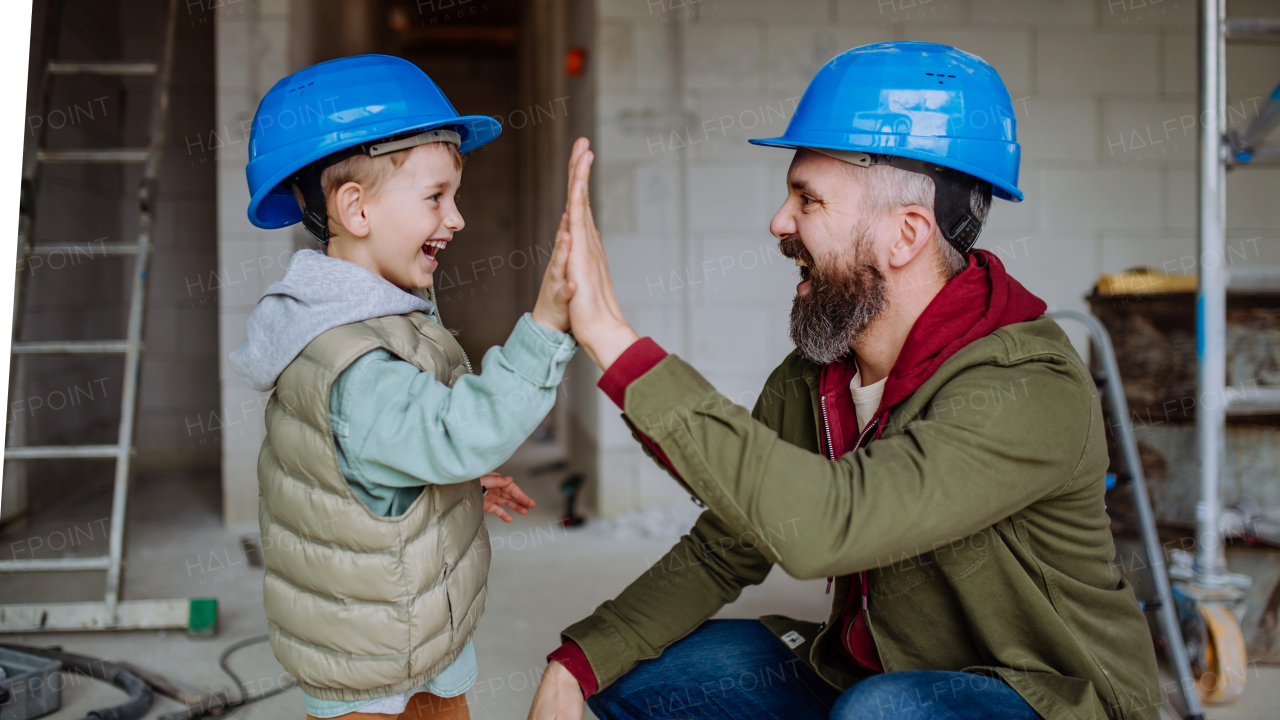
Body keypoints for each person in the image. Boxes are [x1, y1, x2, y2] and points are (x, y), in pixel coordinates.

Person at [529, 43, 1162, 720]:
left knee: (883, 712)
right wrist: (579, 663)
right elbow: (731, 543)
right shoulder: (817, 376)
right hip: (874, 674)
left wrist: (613, 340)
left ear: (904, 235)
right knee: (645, 676)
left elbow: (831, 525)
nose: (779, 222)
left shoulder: (1028, 386)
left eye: (808, 199)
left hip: (1047, 698)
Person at [230, 55, 583, 720]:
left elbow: (376, 453)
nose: (457, 218)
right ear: (356, 209)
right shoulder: (351, 356)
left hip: (408, 640)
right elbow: (454, 431)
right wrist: (545, 325)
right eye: (436, 197)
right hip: (370, 670)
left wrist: (451, 479)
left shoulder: (369, 317)